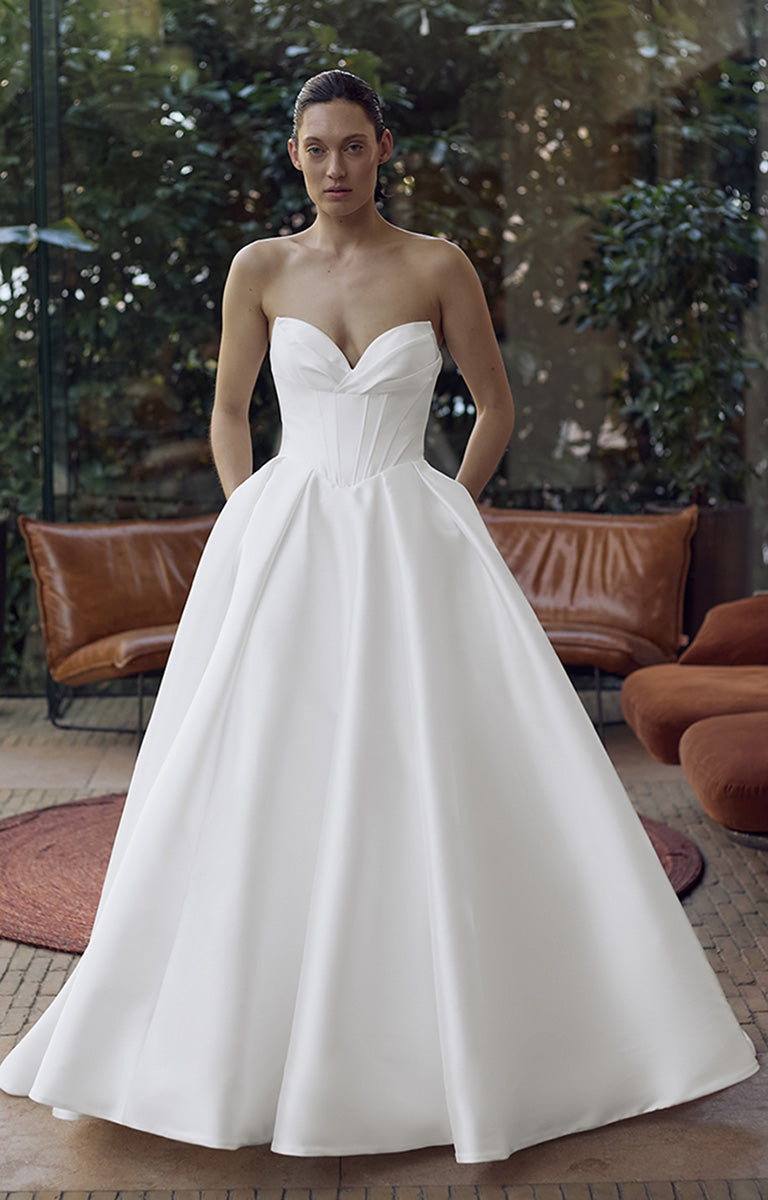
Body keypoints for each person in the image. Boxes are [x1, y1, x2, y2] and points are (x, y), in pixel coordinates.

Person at [0, 69, 757, 1164]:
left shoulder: (435, 264)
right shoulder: (260, 268)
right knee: (267, 762)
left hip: (410, 530)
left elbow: (495, 403)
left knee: (433, 763)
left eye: (355, 145)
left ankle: (459, 1024)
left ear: (385, 147)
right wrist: (248, 509)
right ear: (296, 155)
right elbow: (227, 407)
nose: (338, 165)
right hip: (289, 534)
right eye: (319, 147)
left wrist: (453, 497)